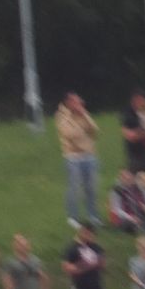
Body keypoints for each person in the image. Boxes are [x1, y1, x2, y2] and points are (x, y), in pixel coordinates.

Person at [52, 92, 100, 224]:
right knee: (74, 188)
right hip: (73, 157)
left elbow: (94, 130)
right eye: (76, 102)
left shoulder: (83, 114)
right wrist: (84, 134)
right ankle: (73, 217)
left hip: (89, 155)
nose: (80, 104)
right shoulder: (62, 116)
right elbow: (70, 134)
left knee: (91, 188)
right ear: (69, 103)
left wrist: (85, 116)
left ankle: (93, 215)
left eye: (79, 101)